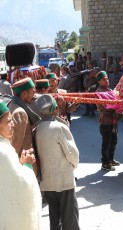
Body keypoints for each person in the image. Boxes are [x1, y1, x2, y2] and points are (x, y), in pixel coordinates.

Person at [35, 94, 80, 230]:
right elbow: (72, 153)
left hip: (47, 181)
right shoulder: (58, 127)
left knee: (54, 216)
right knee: (70, 216)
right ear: (54, 109)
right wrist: (73, 166)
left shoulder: (37, 128)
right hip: (63, 180)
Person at [0, 99, 41, 230]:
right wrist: (27, 165)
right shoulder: (3, 151)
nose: (13, 124)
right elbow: (20, 184)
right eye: (8, 121)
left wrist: (20, 163)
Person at [8, 77, 41, 177]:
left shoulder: (13, 104)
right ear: (24, 94)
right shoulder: (20, 113)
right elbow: (16, 143)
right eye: (32, 92)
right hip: (24, 164)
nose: (34, 95)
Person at [96, 71, 120, 170]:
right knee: (106, 142)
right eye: (104, 79)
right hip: (106, 120)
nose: (106, 81)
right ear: (99, 82)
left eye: (107, 78)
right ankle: (105, 163)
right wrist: (117, 106)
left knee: (114, 141)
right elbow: (106, 107)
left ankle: (110, 159)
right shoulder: (99, 92)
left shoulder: (109, 89)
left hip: (113, 120)